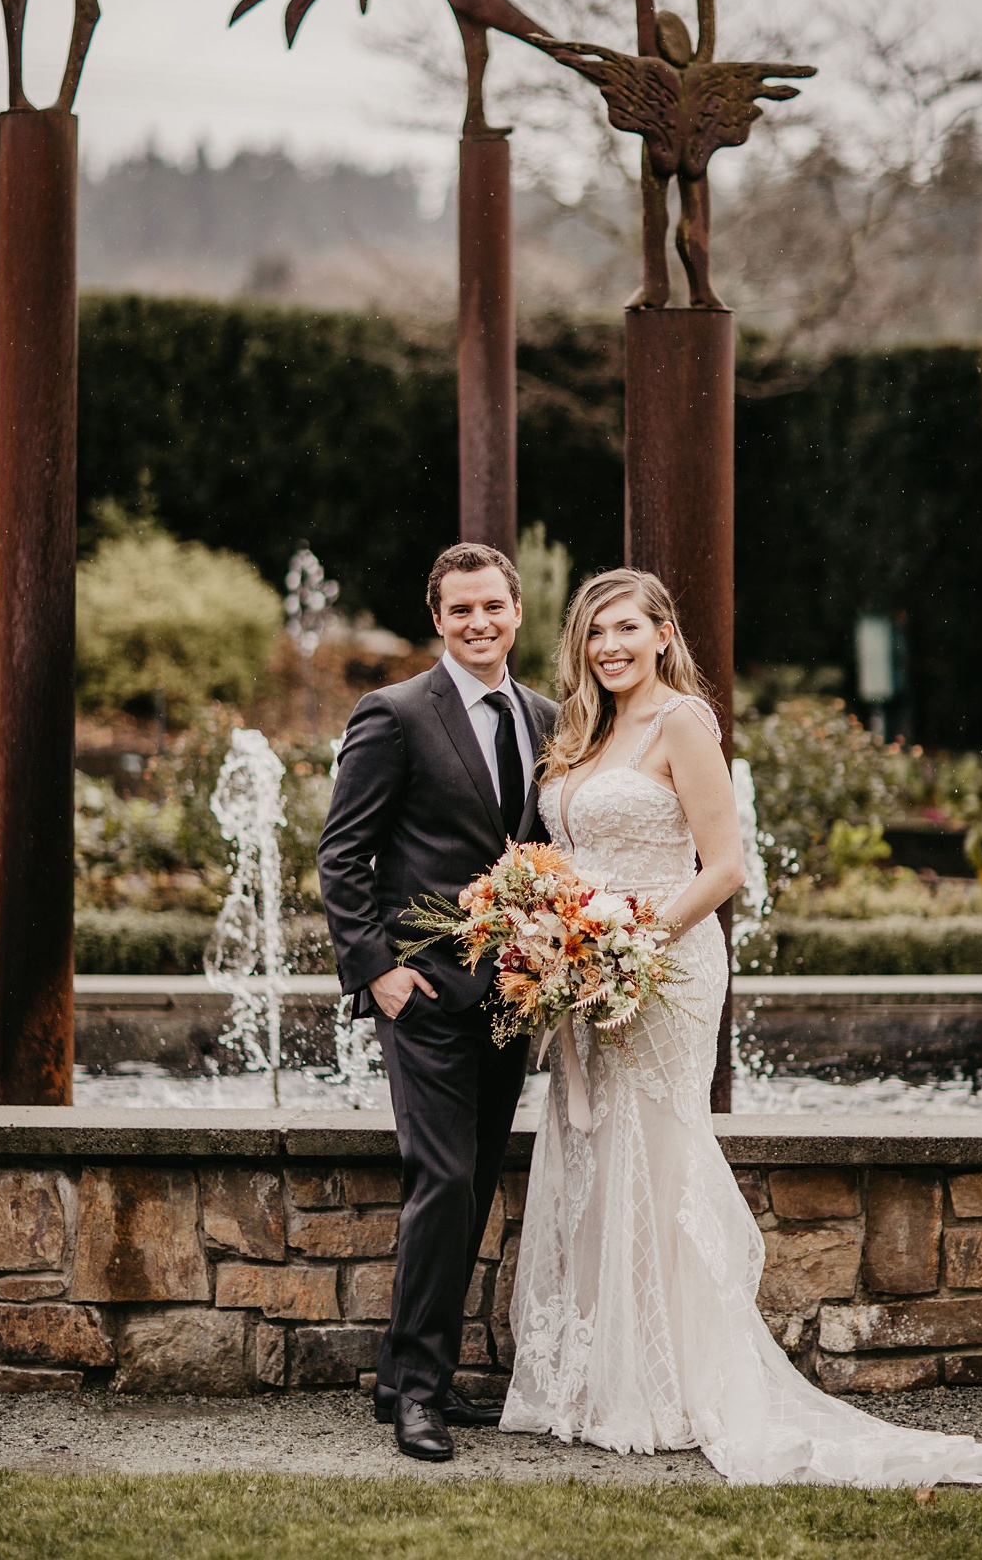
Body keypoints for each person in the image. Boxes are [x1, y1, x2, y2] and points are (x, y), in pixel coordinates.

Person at [501, 567, 982, 1488]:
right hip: (588, 970)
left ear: (662, 633)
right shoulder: (580, 728)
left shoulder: (681, 722)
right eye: (596, 632)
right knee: (592, 1152)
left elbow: (724, 867)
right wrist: (554, 936)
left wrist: (630, 945)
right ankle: (597, 1382)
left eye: (628, 630)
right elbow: (567, 853)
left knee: (657, 1150)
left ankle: (670, 1382)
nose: (611, 647)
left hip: (662, 964)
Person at [317, 543, 557, 1462]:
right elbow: (343, 853)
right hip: (421, 992)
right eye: (461, 611)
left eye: (492, 607)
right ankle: (419, 1389)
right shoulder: (394, 714)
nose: (479, 623)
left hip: (513, 995)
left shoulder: (544, 717)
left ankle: (402, 1380)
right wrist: (376, 969)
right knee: (442, 1182)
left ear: (516, 611)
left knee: (470, 1189)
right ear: (439, 619)